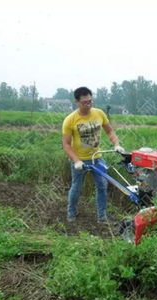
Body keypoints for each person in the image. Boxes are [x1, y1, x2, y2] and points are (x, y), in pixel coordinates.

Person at [62, 86, 124, 223]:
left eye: (90, 101)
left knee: (102, 186)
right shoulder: (70, 120)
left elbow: (109, 131)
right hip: (80, 161)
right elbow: (66, 144)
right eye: (85, 102)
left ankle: (102, 217)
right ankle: (71, 213)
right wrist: (76, 161)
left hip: (97, 158)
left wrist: (116, 144)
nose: (88, 104)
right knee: (76, 187)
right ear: (77, 102)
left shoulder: (99, 114)